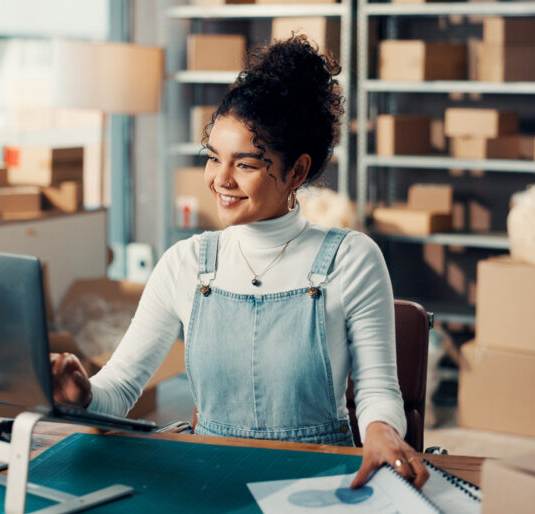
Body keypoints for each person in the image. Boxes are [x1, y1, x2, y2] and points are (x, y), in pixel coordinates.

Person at [50, 36, 428, 489]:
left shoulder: (352, 258)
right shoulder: (185, 263)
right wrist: (83, 395)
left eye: (245, 165)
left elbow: (377, 390)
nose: (220, 180)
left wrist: (383, 431)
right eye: (213, 158)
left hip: (319, 481)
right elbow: (120, 388)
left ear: (296, 171)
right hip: (210, 483)